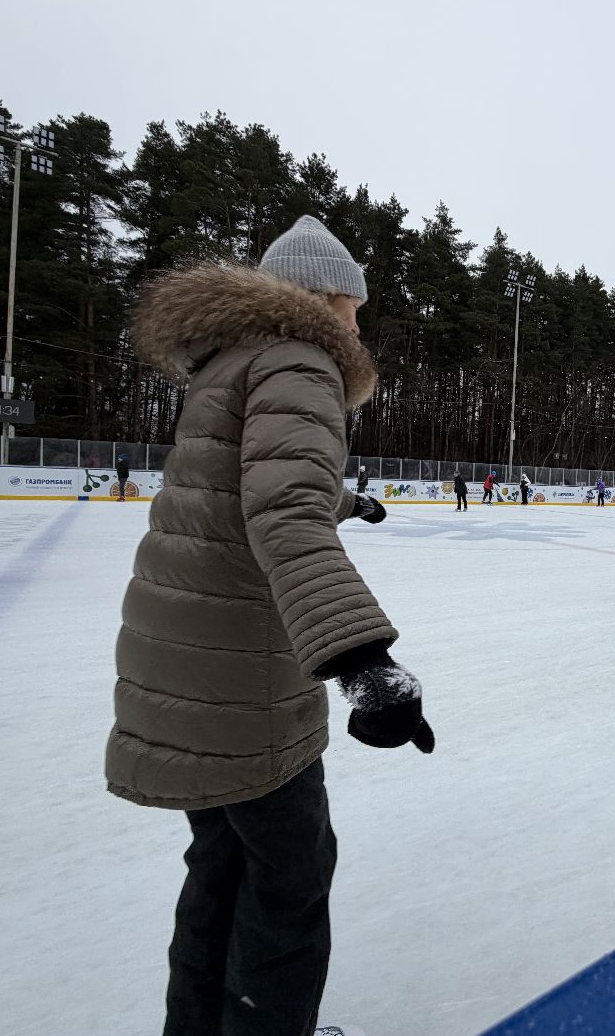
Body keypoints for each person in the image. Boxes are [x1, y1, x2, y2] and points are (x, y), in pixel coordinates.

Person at [105, 215, 434, 1036]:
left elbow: (250, 482)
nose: (358, 323)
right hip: (240, 674)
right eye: (353, 305)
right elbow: (283, 511)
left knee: (221, 868)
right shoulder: (302, 356)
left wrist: (348, 499)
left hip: (182, 655)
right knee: (288, 879)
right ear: (323, 297)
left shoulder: (230, 363)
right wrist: (367, 664)